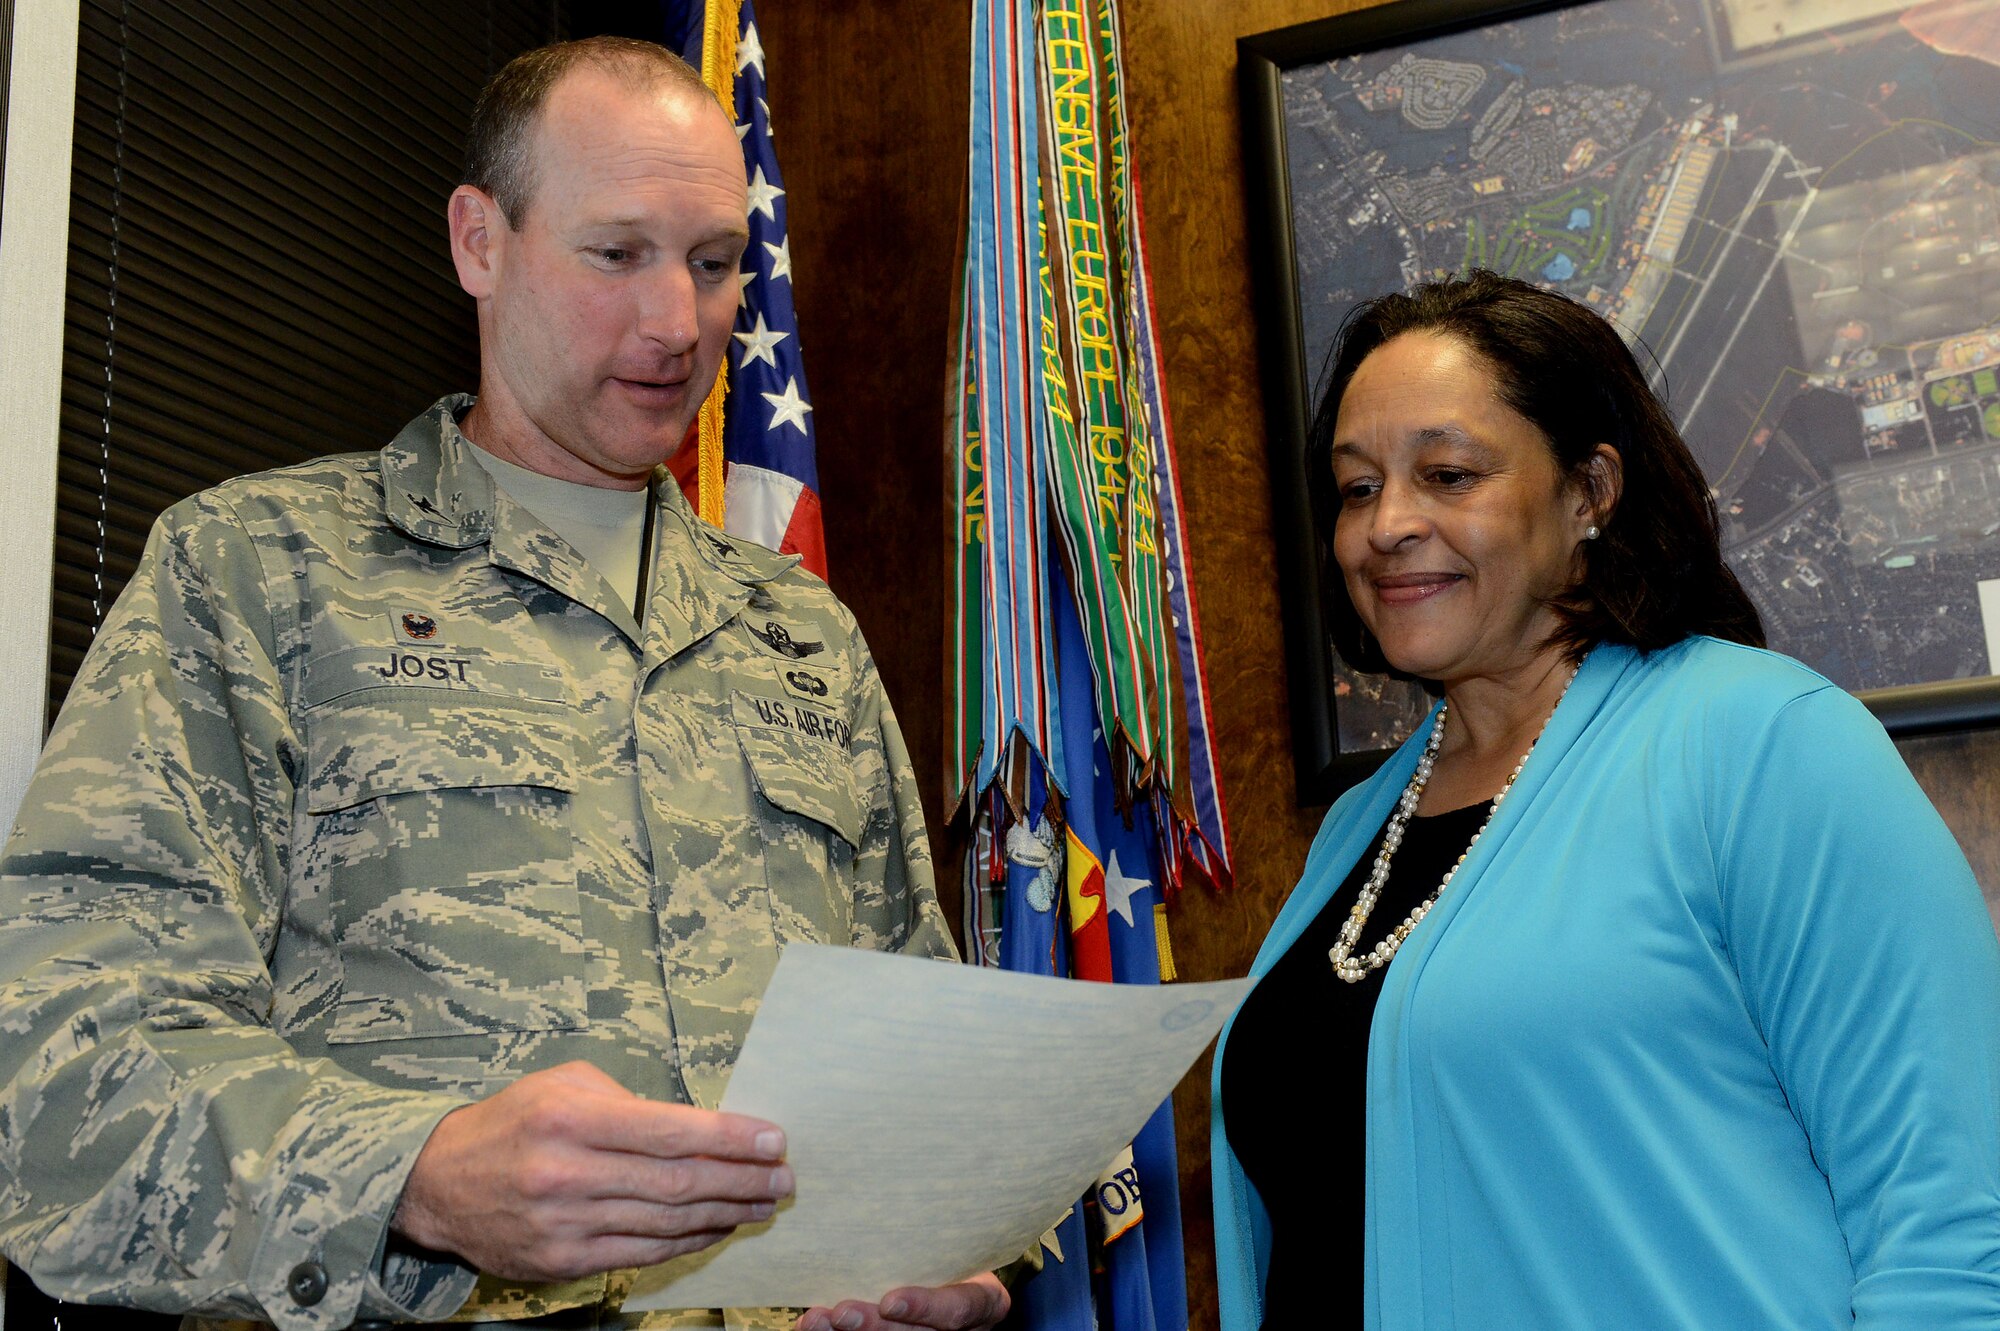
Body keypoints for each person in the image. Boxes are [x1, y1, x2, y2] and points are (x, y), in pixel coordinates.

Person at [0, 36, 1007, 1331]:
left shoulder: (801, 635)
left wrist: (933, 1241)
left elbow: (908, 1053)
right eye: (617, 254)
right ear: (479, 243)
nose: (677, 324)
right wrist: (412, 1176)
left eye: (712, 264)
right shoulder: (261, 573)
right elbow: (56, 1067)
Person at [1211, 270, 2000, 1329]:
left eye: (1447, 474)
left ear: (1588, 491)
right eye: (1356, 487)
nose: (1385, 524)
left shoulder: (1762, 743)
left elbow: (1951, 1233)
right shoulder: (1356, 828)